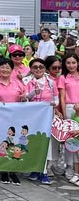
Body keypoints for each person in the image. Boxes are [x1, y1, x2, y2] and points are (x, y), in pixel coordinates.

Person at [0, 58, 27, 185]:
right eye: (2, 67)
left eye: (7, 67)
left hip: (15, 119)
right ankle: (3, 170)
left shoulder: (18, 83)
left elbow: (25, 97)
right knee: (3, 144)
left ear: (12, 69)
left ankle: (13, 171)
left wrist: (24, 98)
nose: (5, 69)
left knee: (14, 145)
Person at [25, 58, 58, 185]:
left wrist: (53, 104)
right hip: (33, 117)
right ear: (31, 69)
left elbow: (56, 99)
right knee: (34, 141)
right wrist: (33, 92)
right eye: (35, 67)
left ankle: (44, 171)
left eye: (41, 67)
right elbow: (25, 98)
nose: (38, 69)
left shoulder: (51, 82)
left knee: (46, 142)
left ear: (45, 69)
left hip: (47, 117)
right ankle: (35, 169)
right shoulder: (27, 82)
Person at [61, 53, 79, 184]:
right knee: (70, 139)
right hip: (69, 107)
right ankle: (69, 166)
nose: (71, 65)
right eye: (68, 63)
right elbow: (62, 97)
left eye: (73, 62)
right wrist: (64, 114)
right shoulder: (63, 77)